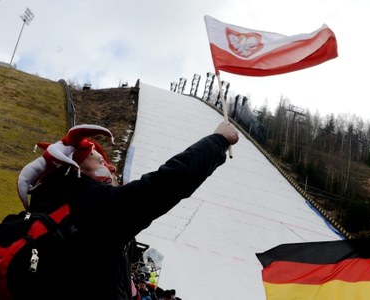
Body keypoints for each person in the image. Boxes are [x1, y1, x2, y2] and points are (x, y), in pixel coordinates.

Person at [16, 122, 238, 299]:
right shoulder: (96, 206)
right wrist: (217, 141)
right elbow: (165, 184)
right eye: (100, 160)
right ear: (77, 169)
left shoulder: (48, 211)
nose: (111, 167)